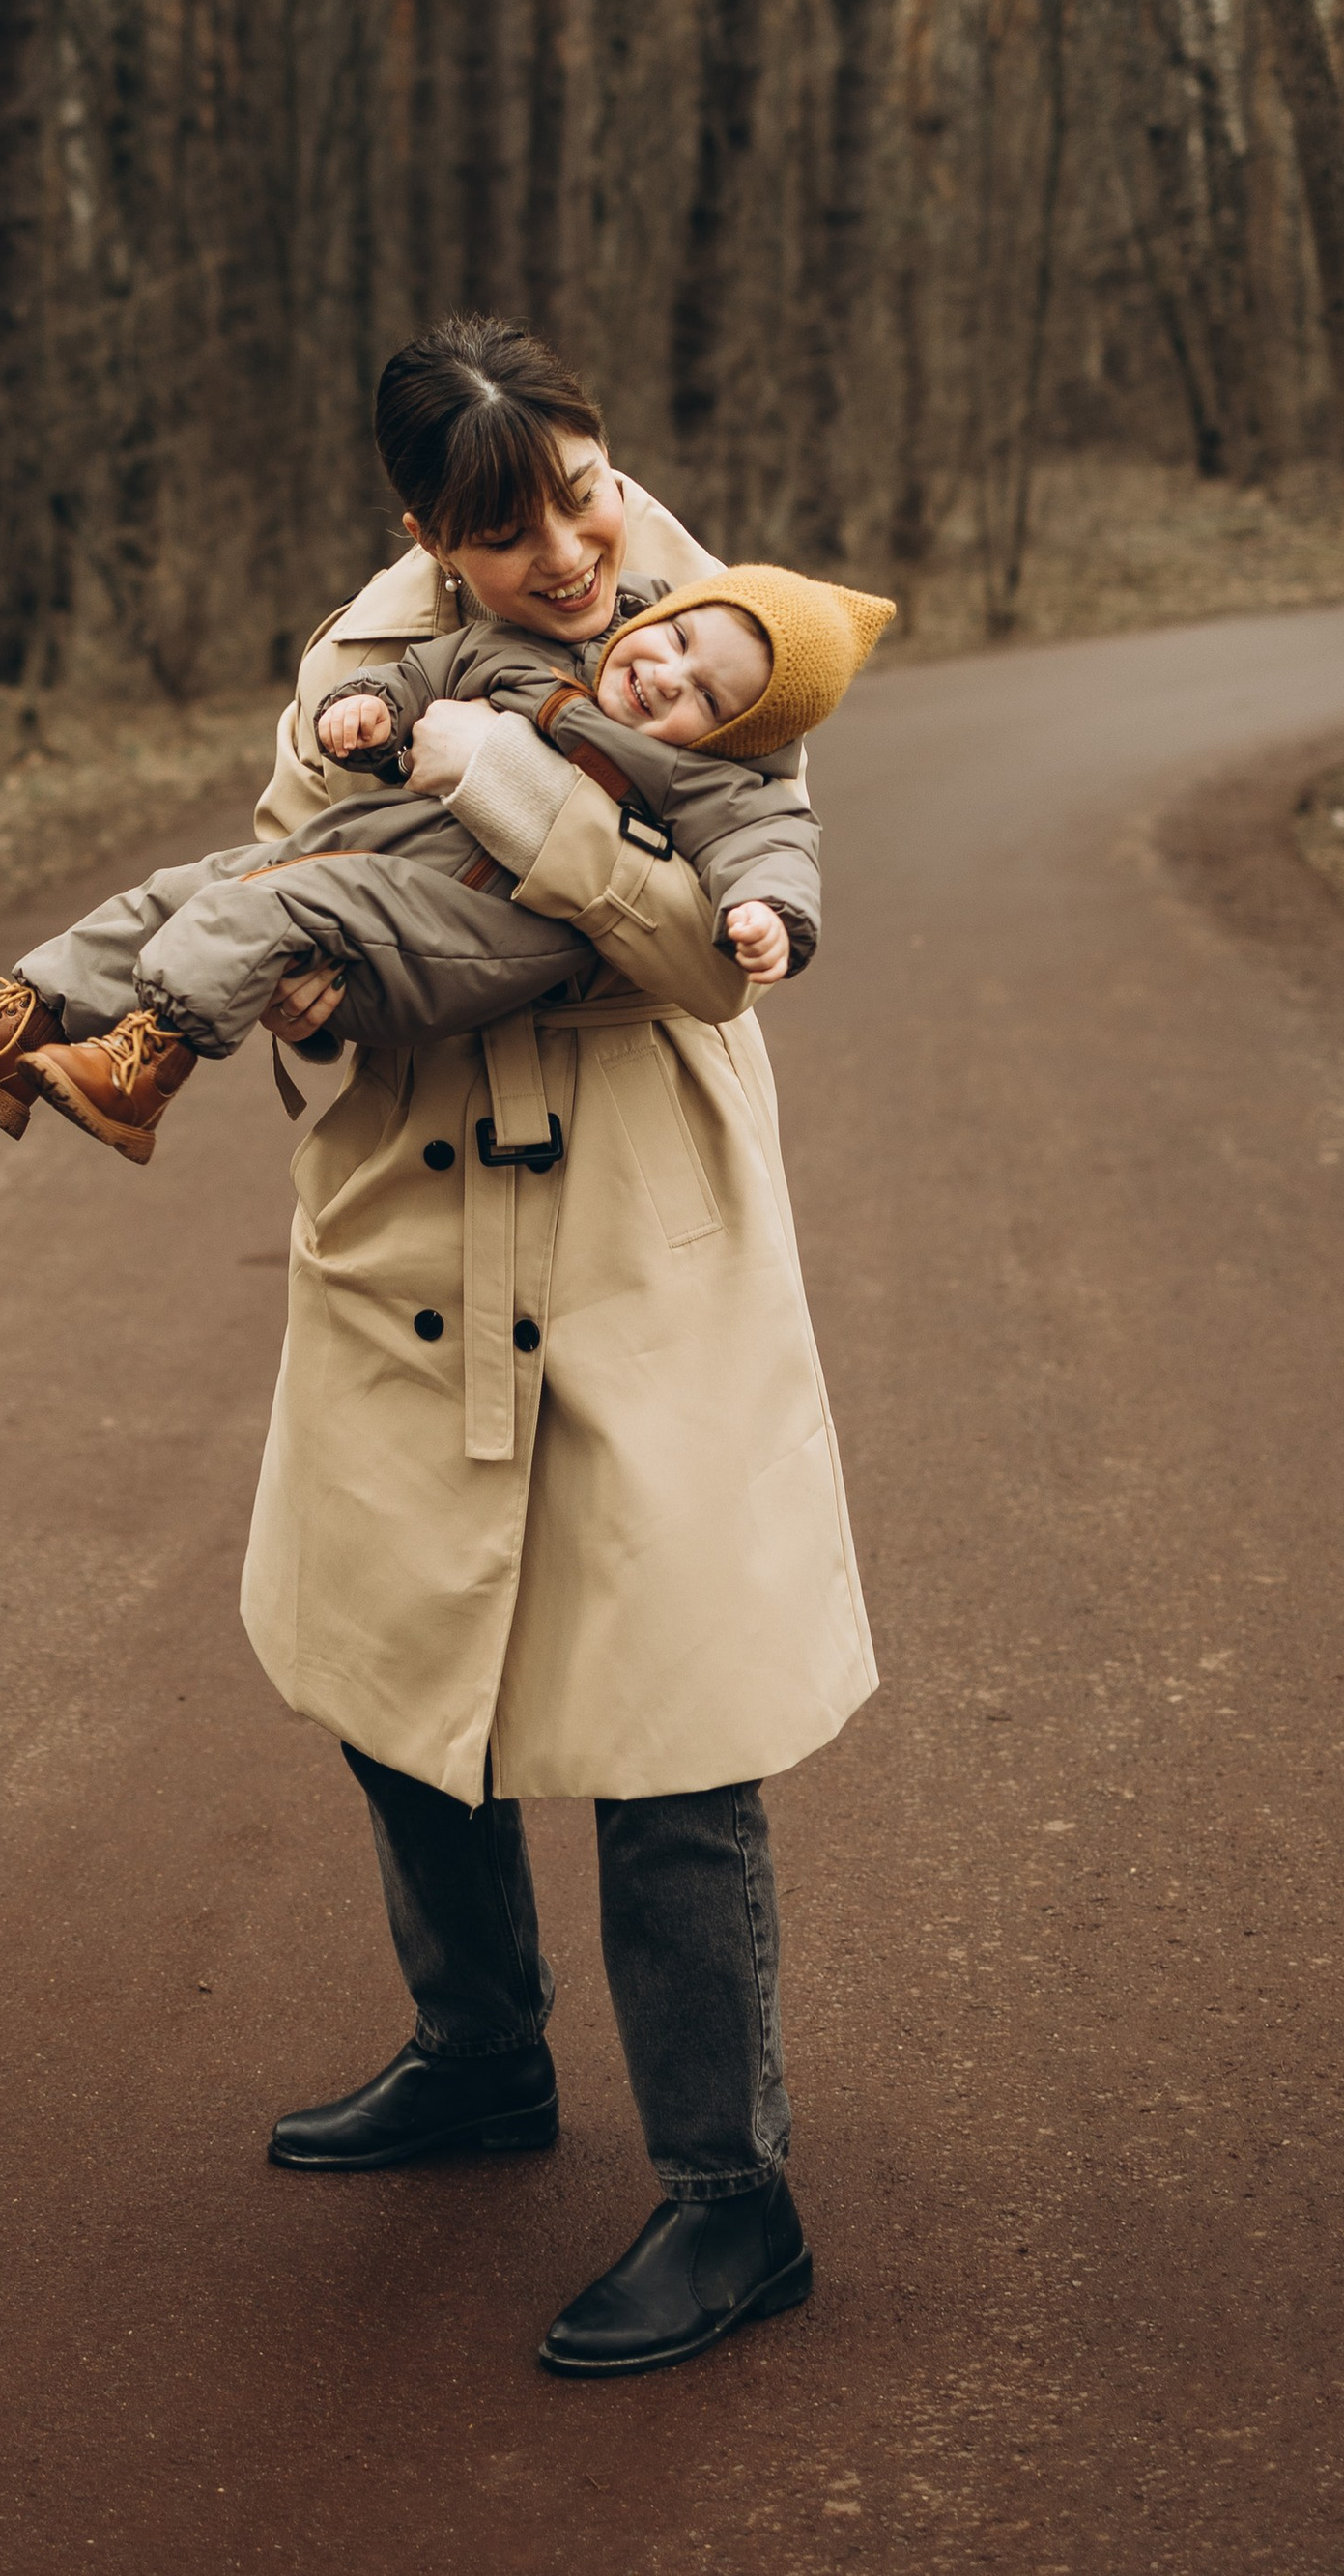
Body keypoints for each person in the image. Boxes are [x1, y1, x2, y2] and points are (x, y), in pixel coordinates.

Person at [225, 312, 880, 2381]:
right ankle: (480, 2056)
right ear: (430, 533)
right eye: (514, 532)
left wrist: (520, 796)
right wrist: (304, 1013)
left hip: (625, 1225)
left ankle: (728, 2198)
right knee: (393, 1651)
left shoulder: (727, 651)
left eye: (585, 489)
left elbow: (704, 956)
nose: (578, 554)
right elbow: (283, 882)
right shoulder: (352, 668)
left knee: (667, 1726)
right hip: (411, 1209)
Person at [0, 560, 891, 1164]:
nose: (666, 681)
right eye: (675, 646)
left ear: (734, 736)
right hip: (375, 871)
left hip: (481, 933)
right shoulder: (525, 648)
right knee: (194, 886)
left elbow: (770, 840)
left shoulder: (706, 779)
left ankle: (152, 1064)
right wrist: (363, 714)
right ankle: (24, 1023)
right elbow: (419, 674)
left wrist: (768, 912)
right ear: (658, 616)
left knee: (279, 901)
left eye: (709, 699)